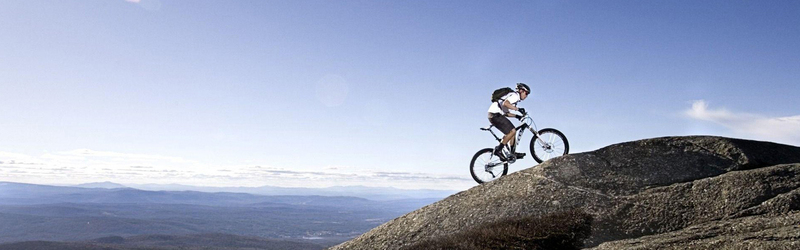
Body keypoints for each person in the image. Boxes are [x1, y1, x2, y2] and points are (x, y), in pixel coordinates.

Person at [487, 83, 530, 160]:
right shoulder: (515, 96)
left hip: (493, 115)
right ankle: (498, 150)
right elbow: (506, 103)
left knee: (512, 133)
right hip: (494, 115)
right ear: (521, 91)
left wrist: (517, 116)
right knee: (512, 131)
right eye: (526, 93)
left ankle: (512, 153)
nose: (526, 96)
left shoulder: (511, 97)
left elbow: (506, 113)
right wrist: (518, 109)